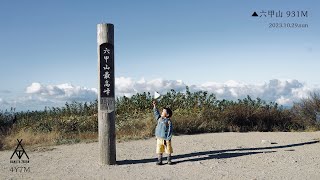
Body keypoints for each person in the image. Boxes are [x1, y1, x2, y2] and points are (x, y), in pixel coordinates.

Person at [152, 100, 173, 165]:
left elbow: (170, 130)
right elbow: (156, 113)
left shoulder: (168, 122)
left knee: (168, 149)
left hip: (166, 139)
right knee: (159, 150)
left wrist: (168, 138)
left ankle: (169, 160)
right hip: (159, 138)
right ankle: (160, 160)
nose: (162, 112)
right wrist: (155, 106)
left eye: (163, 111)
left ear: (167, 114)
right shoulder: (159, 118)